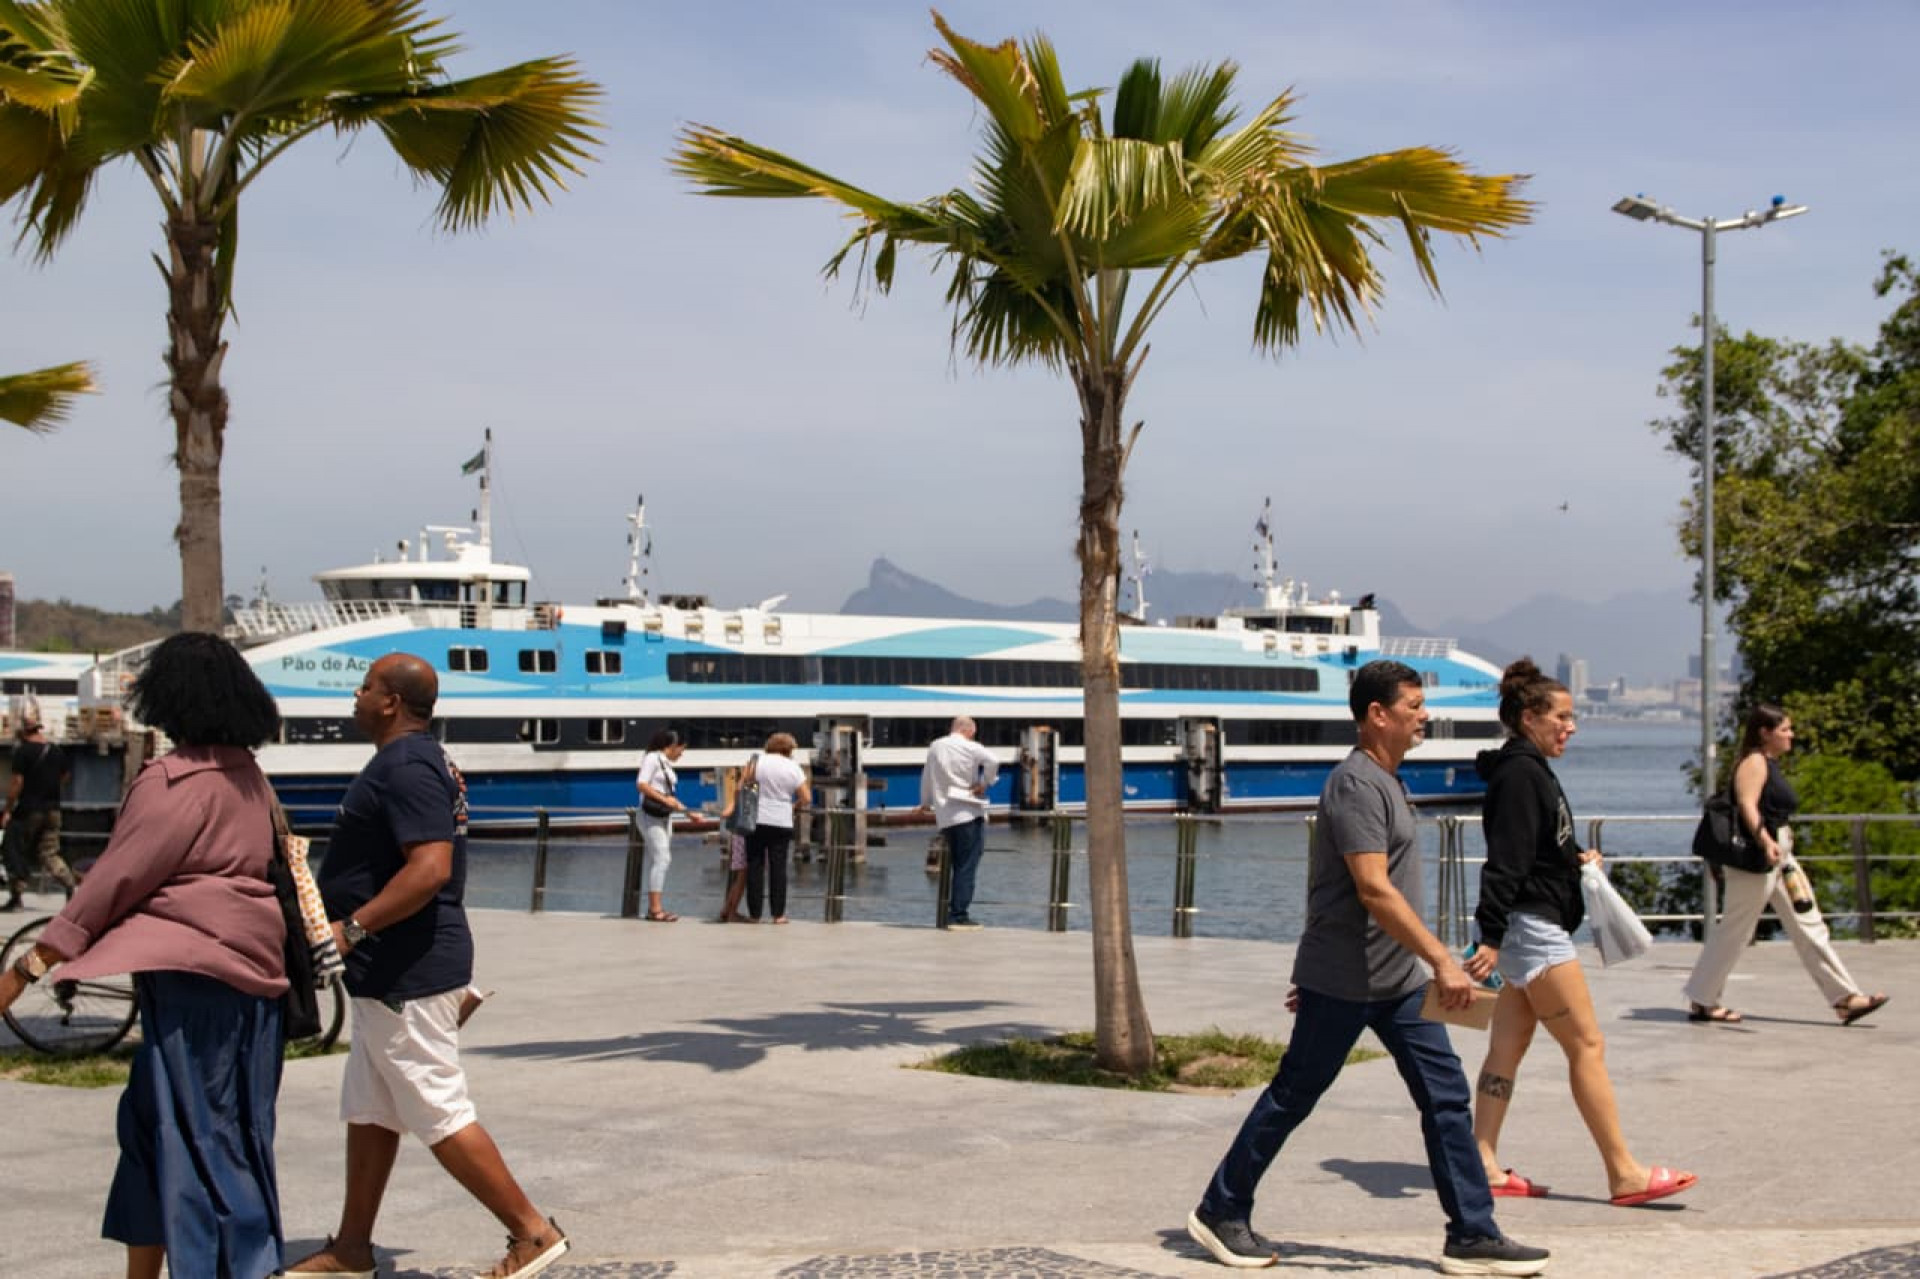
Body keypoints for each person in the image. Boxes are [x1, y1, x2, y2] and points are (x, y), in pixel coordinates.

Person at [1186, 660, 1549, 1276]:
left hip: (1396, 982)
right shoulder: (1356, 784)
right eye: (1412, 705)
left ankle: (1472, 1233)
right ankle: (1221, 1211)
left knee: (1445, 1098)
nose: (1423, 715)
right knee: (1293, 1096)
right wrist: (1441, 961)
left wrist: (1422, 965)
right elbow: (1372, 890)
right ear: (1377, 714)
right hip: (1347, 980)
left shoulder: (1389, 780)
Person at [0, 632, 288, 1278]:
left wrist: (26, 967)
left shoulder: (172, 778)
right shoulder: (248, 775)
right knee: (162, 1135)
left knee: (200, 1149)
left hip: (194, 987)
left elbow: (114, 882)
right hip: (252, 983)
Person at [285, 653, 567, 1279]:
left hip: (406, 971)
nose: (354, 698)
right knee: (372, 1107)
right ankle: (353, 1247)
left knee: (438, 1107)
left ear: (390, 703)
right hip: (393, 971)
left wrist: (352, 929)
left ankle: (532, 1233)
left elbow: (430, 867)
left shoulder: (407, 765)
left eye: (364, 688)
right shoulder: (418, 760)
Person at [1463, 658, 1696, 1206]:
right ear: (1528, 717)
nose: (1571, 726)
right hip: (1533, 931)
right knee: (1587, 1044)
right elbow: (1506, 862)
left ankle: (1482, 1159)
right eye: (1562, 717)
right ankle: (1624, 1173)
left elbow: (1533, 849)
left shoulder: (1527, 769)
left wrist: (1572, 860)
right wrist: (1491, 936)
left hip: (1525, 927)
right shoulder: (1522, 774)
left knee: (1507, 1048)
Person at [1682, 704, 1890, 1027]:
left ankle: (1845, 999)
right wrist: (1765, 841)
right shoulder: (1754, 763)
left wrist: (1777, 845)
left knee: (1808, 923)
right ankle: (1702, 999)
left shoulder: (1769, 763)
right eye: (1785, 730)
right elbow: (1749, 807)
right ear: (1765, 733)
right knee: (1736, 930)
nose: (1791, 735)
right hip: (1759, 858)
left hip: (1780, 857)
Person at [917, 716, 998, 930]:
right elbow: (993, 761)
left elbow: (926, 777)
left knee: (955, 864)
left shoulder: (935, 746)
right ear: (969, 731)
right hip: (968, 812)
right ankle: (958, 915)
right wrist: (984, 783)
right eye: (973, 733)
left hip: (945, 816)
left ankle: (952, 912)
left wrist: (924, 803)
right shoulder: (971, 747)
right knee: (967, 866)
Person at [2, 711, 78, 908]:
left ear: (23, 732)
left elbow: (17, 783)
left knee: (13, 848)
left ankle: (16, 895)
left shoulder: (23, 751)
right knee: (49, 853)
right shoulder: (56, 751)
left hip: (29, 809)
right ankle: (70, 886)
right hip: (53, 810)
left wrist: (8, 810)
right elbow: (65, 777)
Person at [744, 732, 810, 924]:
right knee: (778, 868)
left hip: (756, 819)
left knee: (755, 867)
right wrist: (793, 806)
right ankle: (778, 914)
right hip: (781, 821)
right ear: (788, 749)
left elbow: (744, 785)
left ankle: (754, 914)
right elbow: (806, 798)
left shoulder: (756, 762)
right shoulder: (793, 768)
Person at [635, 729, 693, 922]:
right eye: (681, 749)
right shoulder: (653, 758)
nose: (681, 754)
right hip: (649, 815)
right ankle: (654, 909)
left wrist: (689, 813)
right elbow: (642, 784)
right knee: (662, 859)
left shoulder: (666, 765)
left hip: (663, 816)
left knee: (659, 860)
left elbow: (671, 798)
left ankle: (655, 907)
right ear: (672, 746)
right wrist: (665, 801)